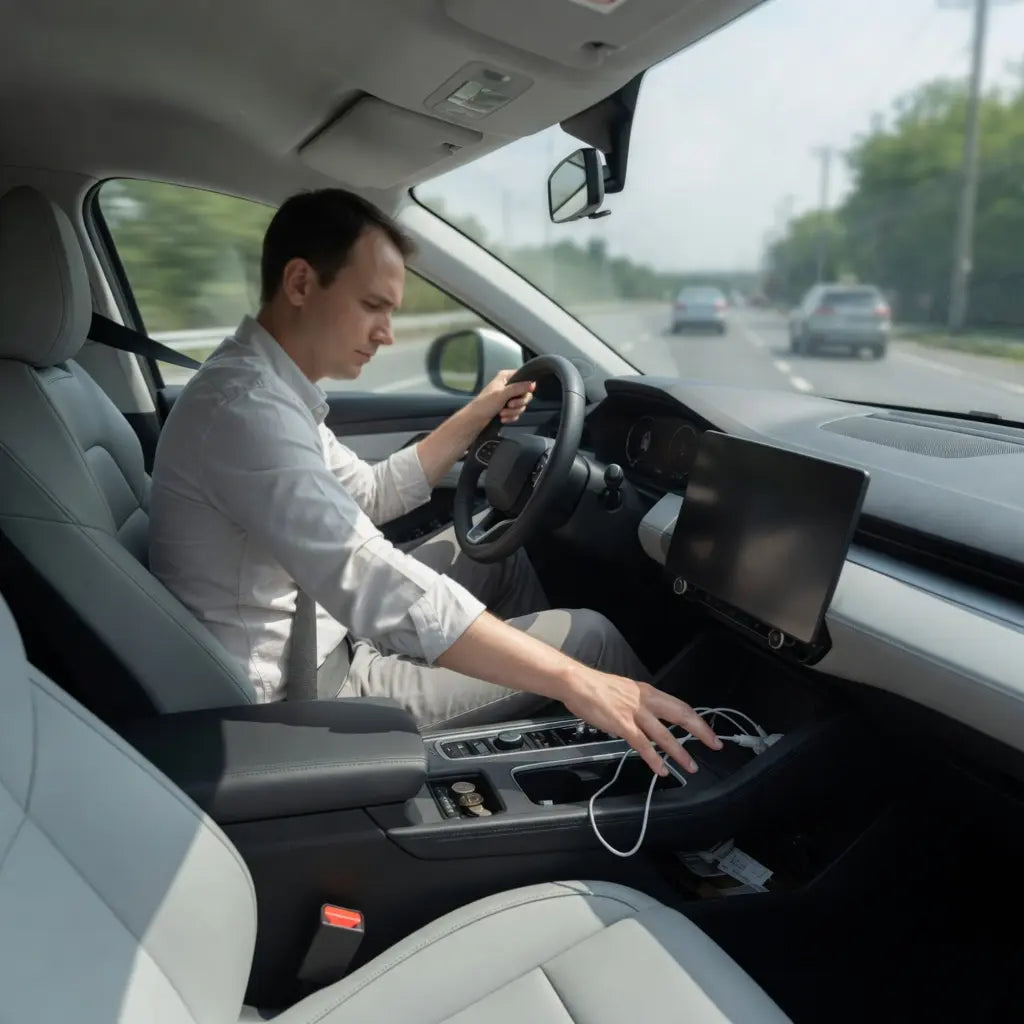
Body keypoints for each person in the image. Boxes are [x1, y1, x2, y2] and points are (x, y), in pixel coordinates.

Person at [149, 188, 721, 777]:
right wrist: (574, 680)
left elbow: (367, 494)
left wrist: (477, 413)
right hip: (310, 687)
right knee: (589, 642)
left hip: (322, 630)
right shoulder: (247, 412)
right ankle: (691, 784)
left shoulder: (268, 393)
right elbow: (370, 579)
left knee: (500, 556)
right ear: (300, 283)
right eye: (373, 306)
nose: (387, 334)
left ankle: (540, 741)